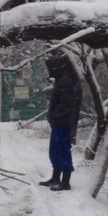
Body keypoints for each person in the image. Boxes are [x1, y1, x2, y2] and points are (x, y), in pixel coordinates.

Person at [39, 52, 82, 191]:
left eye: (50, 67)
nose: (49, 70)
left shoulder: (65, 81)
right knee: (55, 151)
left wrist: (55, 116)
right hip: (58, 123)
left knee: (63, 151)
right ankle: (56, 178)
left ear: (55, 67)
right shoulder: (61, 79)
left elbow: (65, 104)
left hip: (63, 123)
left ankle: (65, 182)